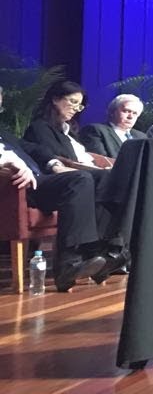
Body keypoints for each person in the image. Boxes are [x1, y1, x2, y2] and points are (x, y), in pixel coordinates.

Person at [0, 85, 112, 290]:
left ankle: (99, 253)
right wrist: (8, 165)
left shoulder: (4, 132)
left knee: (98, 178)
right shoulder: (40, 127)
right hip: (15, 186)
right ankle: (69, 264)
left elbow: (32, 148)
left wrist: (53, 163)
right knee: (80, 179)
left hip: (39, 180)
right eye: (71, 101)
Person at [79, 93, 143, 158]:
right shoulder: (94, 130)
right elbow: (101, 161)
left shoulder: (142, 137)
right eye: (126, 111)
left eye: (135, 113)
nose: (130, 116)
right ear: (112, 112)